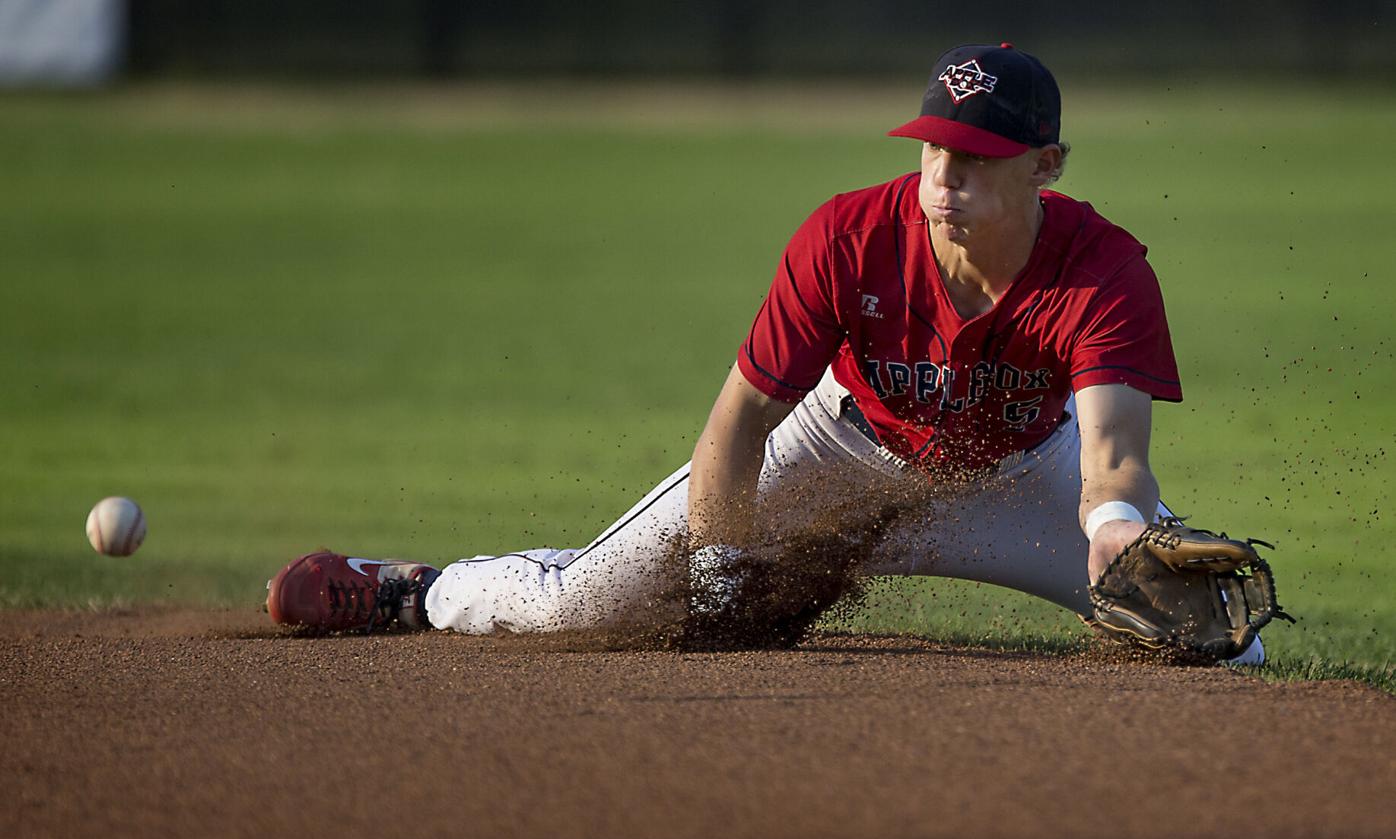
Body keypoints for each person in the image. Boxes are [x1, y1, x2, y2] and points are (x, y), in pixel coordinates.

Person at [266, 43, 1266, 664]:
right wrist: (717, 580)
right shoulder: (848, 235)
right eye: (934, 146)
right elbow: (738, 422)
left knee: (1225, 644)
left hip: (1017, 479)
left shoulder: (1102, 269)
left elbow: (1111, 453)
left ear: (1044, 164)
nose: (944, 173)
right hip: (838, 453)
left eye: (978, 155)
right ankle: (413, 590)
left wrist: (1115, 527)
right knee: (586, 604)